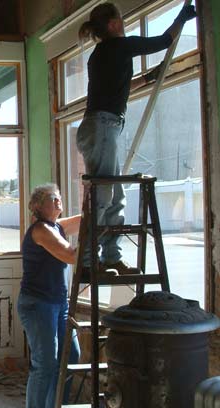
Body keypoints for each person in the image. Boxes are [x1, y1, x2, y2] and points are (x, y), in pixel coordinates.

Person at [76, 2, 197, 274]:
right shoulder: (121, 46)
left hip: (99, 127)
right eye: (121, 19)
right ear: (113, 24)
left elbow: (116, 87)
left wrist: (147, 78)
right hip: (103, 127)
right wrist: (182, 15)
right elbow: (165, 40)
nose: (125, 23)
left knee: (115, 196)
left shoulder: (100, 54)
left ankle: (109, 257)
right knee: (104, 198)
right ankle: (86, 264)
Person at [17, 184, 82, 408]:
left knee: (71, 355)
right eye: (52, 199)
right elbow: (69, 254)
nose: (58, 201)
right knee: (45, 362)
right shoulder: (41, 230)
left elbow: (84, 220)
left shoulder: (58, 225)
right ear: (37, 206)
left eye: (59, 198)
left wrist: (100, 209)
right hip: (37, 304)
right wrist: (92, 248)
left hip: (58, 303)